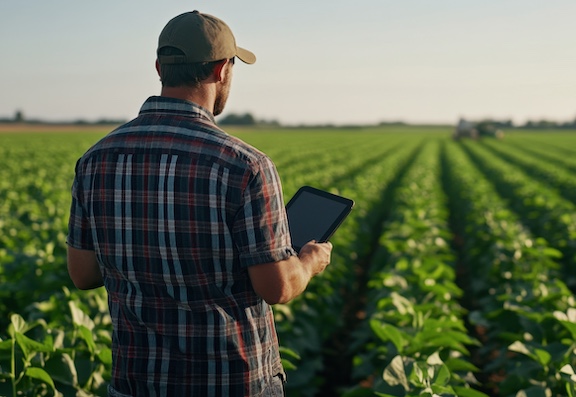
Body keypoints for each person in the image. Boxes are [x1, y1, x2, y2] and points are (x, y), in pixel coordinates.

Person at [66, 10, 332, 397]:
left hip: (137, 383)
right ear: (222, 70)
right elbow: (275, 287)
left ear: (159, 67)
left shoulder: (96, 158)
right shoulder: (245, 166)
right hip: (229, 383)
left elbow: (82, 274)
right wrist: (309, 260)